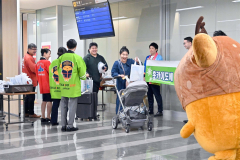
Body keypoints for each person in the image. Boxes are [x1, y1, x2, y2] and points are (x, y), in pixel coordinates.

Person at [58, 39, 86, 132]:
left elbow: (58, 70)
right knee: (72, 105)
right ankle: (70, 125)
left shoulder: (61, 58)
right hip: (73, 86)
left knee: (63, 105)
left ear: (67, 46)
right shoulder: (77, 58)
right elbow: (82, 73)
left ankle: (63, 125)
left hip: (63, 85)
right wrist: (84, 78)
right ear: (75, 46)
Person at [111, 46, 139, 114]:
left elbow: (138, 66)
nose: (125, 56)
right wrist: (119, 75)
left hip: (129, 83)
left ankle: (130, 112)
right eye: (123, 54)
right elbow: (113, 73)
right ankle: (119, 114)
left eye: (126, 55)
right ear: (120, 54)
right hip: (120, 83)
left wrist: (137, 61)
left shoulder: (130, 61)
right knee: (120, 98)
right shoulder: (117, 63)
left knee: (130, 98)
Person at [144, 42, 163, 117]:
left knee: (157, 95)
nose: (151, 50)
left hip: (155, 79)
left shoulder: (159, 57)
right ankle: (150, 110)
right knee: (149, 95)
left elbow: (160, 66)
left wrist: (151, 62)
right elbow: (145, 66)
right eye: (150, 48)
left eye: (152, 48)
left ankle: (160, 110)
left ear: (156, 49)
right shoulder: (147, 57)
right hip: (148, 78)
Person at [22, 43, 41, 118]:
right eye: (33, 49)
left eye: (35, 49)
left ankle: (26, 112)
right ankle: (31, 113)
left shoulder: (25, 57)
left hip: (27, 80)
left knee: (27, 97)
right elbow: (33, 69)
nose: (34, 51)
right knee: (31, 97)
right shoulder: (29, 58)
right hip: (31, 80)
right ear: (28, 49)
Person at [49, 47, 67, 126]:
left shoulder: (53, 62)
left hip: (54, 86)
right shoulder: (63, 63)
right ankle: (64, 121)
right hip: (62, 87)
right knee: (64, 105)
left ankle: (53, 120)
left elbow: (50, 74)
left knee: (55, 105)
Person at [36, 49, 52, 123]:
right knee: (49, 101)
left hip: (41, 85)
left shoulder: (38, 63)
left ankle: (43, 116)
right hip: (48, 84)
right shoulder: (47, 62)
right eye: (49, 54)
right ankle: (48, 117)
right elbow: (51, 73)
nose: (50, 55)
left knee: (44, 100)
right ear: (44, 53)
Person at [183, 37, 193, 123]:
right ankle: (191, 118)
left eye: (185, 43)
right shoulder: (189, 52)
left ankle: (193, 119)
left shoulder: (194, 52)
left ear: (190, 43)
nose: (184, 45)